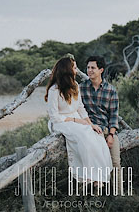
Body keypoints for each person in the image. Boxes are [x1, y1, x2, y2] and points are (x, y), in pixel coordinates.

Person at [45, 55, 112, 187]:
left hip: (77, 119)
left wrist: (90, 124)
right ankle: (88, 176)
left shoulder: (75, 85)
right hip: (60, 122)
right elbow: (54, 116)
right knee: (83, 135)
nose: (76, 70)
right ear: (67, 70)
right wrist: (75, 120)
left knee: (96, 135)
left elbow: (81, 107)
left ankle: (98, 175)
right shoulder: (54, 90)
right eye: (74, 68)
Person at [80, 55, 122, 191]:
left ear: (101, 70)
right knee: (91, 162)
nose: (89, 70)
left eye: (93, 68)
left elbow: (114, 115)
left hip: (106, 130)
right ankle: (93, 196)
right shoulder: (81, 89)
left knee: (115, 162)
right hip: (89, 131)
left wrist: (110, 135)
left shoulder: (111, 90)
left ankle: (118, 195)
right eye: (88, 68)